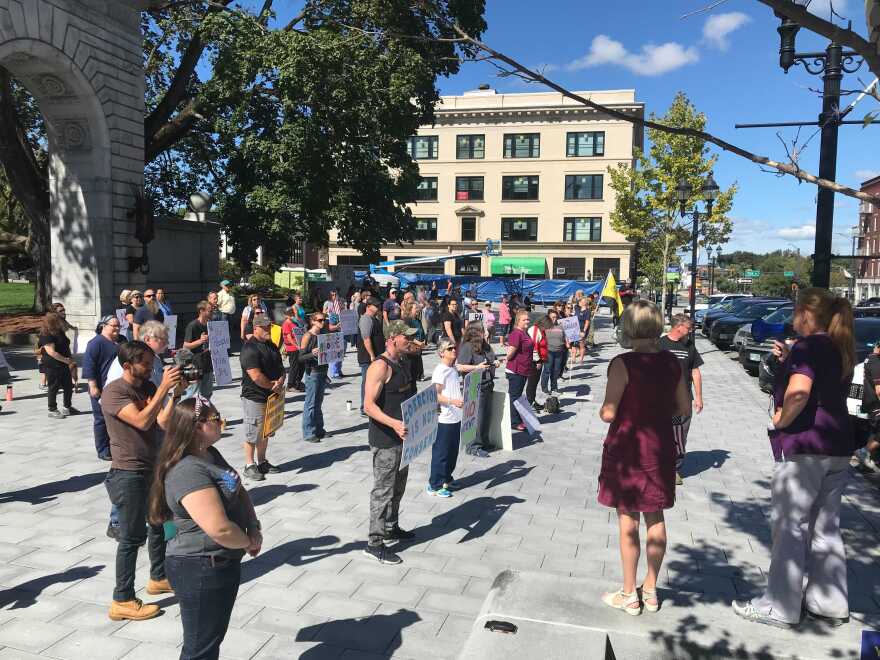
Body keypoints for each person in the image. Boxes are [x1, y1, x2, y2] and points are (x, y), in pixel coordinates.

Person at [733, 288, 856, 629]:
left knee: (789, 526)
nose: (791, 317)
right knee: (825, 525)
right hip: (838, 444)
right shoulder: (838, 346)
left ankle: (780, 606)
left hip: (806, 444)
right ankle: (828, 601)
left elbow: (800, 392)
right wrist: (789, 360)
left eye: (795, 311)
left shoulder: (808, 346)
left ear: (806, 313)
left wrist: (780, 420)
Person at [149, 397, 262, 660]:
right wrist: (247, 542)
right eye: (216, 419)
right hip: (199, 567)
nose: (222, 422)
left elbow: (238, 488)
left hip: (220, 563)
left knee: (210, 640)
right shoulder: (187, 470)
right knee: (200, 648)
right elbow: (219, 529)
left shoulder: (209, 453)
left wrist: (253, 527)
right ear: (197, 426)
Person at [598, 300, 689, 616]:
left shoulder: (623, 364)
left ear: (629, 327)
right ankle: (650, 589)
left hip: (628, 451)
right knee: (656, 517)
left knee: (627, 520)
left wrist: (605, 410)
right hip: (660, 448)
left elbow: (609, 413)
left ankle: (628, 593)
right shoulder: (672, 363)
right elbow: (684, 409)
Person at [103, 340, 181, 621]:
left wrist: (174, 395)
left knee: (158, 524)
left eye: (152, 363)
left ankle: (157, 577)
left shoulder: (148, 387)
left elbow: (161, 422)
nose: (151, 368)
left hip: (151, 467)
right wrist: (163, 388)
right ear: (127, 366)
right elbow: (141, 422)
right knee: (130, 538)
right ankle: (122, 598)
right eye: (145, 364)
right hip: (128, 473)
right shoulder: (114, 392)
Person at [363, 320, 418, 564]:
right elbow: (368, 406)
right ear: (393, 338)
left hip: (404, 437)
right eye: (406, 337)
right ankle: (374, 542)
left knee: (398, 487)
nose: (410, 340)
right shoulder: (379, 367)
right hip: (386, 439)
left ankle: (391, 526)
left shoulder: (403, 361)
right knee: (383, 491)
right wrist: (393, 423)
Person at [658, 314, 705, 485]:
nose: (691, 331)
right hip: (662, 401)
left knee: (679, 435)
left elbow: (695, 372)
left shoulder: (689, 346)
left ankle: (673, 469)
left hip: (683, 401)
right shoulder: (660, 344)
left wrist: (699, 397)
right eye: (689, 328)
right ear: (679, 327)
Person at [239, 314, 285, 481]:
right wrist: (273, 385)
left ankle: (262, 461)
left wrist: (280, 380)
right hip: (255, 396)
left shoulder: (272, 345)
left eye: (269, 327)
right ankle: (249, 465)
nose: (268, 330)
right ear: (256, 328)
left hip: (271, 395)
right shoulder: (249, 349)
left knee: (265, 432)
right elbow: (256, 376)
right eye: (265, 327)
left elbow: (281, 367)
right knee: (253, 432)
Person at [457, 323, 500, 457]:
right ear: (476, 332)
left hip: (487, 384)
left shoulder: (485, 345)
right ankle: (473, 446)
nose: (486, 332)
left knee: (486, 416)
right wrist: (476, 368)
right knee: (477, 417)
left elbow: (491, 359)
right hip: (475, 385)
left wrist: (496, 362)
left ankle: (484, 441)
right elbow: (459, 367)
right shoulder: (467, 346)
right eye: (484, 330)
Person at [83, 315, 122, 459]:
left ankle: (115, 445)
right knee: (101, 419)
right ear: (104, 326)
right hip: (101, 388)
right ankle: (103, 449)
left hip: (117, 387)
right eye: (114, 326)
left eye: (118, 326)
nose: (117, 329)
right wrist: (93, 386)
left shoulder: (121, 341)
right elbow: (89, 366)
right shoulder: (95, 343)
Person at [39, 311, 78, 419]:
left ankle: (67, 407)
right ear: (53, 322)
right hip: (53, 365)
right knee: (53, 387)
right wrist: (65, 360)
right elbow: (51, 352)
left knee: (68, 386)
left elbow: (65, 345)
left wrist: (69, 358)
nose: (62, 321)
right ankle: (52, 409)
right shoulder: (46, 334)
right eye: (59, 320)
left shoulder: (59, 331)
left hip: (64, 363)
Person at [106, 321, 168, 388]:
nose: (167, 342)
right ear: (147, 339)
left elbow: (158, 386)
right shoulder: (129, 357)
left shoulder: (156, 359)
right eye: (163, 339)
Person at [299, 312, 330, 444]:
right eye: (320, 320)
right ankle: (308, 432)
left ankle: (319, 429)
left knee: (319, 402)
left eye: (324, 320)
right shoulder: (308, 336)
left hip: (322, 371)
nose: (323, 322)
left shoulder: (323, 335)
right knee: (311, 403)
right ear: (313, 321)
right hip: (312, 372)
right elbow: (300, 357)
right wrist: (312, 354)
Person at [505, 311, 535, 432]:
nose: (527, 321)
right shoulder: (516, 333)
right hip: (516, 370)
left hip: (523, 369)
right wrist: (505, 358)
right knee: (515, 397)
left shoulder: (524, 332)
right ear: (518, 321)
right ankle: (514, 422)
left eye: (528, 319)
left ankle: (517, 418)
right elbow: (511, 350)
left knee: (517, 396)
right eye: (524, 320)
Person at [357, 298, 385, 416]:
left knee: (375, 382)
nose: (378, 307)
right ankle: (365, 407)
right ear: (368, 306)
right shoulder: (366, 319)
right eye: (376, 305)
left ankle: (373, 404)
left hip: (377, 356)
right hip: (368, 358)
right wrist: (372, 355)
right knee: (367, 382)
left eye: (379, 305)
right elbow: (366, 339)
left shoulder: (375, 318)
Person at [183, 301, 215, 399]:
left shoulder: (211, 325)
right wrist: (200, 341)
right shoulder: (193, 325)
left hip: (208, 364)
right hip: (195, 365)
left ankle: (204, 413)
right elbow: (185, 346)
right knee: (192, 395)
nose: (212, 312)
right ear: (202, 311)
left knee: (207, 394)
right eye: (210, 310)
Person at [857, 342, 880, 472]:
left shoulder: (870, 359)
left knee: (875, 431)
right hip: (875, 404)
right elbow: (879, 390)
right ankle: (864, 451)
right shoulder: (876, 362)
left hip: (871, 403)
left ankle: (866, 458)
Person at [540, 310, 567, 396]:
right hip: (549, 351)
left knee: (556, 371)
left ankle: (554, 387)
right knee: (547, 370)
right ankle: (544, 388)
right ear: (548, 317)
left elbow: (565, 337)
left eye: (556, 317)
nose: (554, 319)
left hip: (559, 351)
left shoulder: (561, 326)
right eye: (552, 317)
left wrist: (568, 342)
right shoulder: (545, 327)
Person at [527, 316, 549, 411]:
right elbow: (533, 347)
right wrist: (537, 361)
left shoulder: (541, 330)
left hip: (540, 360)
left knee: (535, 383)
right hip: (534, 361)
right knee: (532, 383)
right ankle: (529, 402)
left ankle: (532, 400)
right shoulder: (535, 330)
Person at [281, 306, 305, 392]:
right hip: (292, 348)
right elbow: (289, 338)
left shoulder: (294, 322)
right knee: (294, 367)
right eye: (289, 314)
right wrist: (296, 345)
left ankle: (297, 382)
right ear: (285, 315)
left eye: (291, 313)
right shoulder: (286, 324)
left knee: (301, 365)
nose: (291, 315)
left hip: (299, 347)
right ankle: (290, 385)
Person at [323, 289, 345, 379]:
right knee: (335, 350)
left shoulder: (340, 302)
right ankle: (334, 372)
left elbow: (344, 311)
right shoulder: (327, 303)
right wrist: (328, 313)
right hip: (332, 327)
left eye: (335, 294)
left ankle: (339, 370)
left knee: (342, 350)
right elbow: (324, 313)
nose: (334, 296)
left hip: (341, 327)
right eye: (332, 294)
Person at [402, 301, 426, 382]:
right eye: (416, 308)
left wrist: (423, 340)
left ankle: (419, 376)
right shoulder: (407, 320)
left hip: (418, 349)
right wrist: (418, 343)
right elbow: (408, 335)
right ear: (410, 309)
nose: (418, 310)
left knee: (417, 369)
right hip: (410, 350)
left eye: (418, 308)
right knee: (411, 372)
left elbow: (421, 332)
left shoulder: (418, 320)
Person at [575, 296, 592, 363]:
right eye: (580, 301)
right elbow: (574, 303)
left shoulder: (587, 311)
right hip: (575, 328)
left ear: (585, 303)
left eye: (581, 301)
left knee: (581, 344)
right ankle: (573, 358)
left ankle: (581, 359)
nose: (580, 302)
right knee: (574, 344)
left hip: (582, 329)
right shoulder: (577, 308)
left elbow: (587, 322)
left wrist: (584, 331)